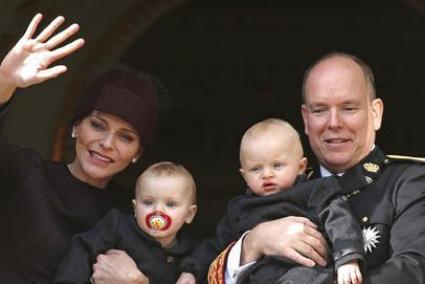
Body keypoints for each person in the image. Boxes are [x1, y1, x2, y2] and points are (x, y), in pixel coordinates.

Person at [208, 52, 425, 284]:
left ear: (376, 113)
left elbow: (413, 270)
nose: (333, 123)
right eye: (320, 110)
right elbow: (201, 271)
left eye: (348, 108)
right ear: (305, 119)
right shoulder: (280, 184)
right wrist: (254, 243)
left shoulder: (410, 183)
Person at [0, 14, 166, 283]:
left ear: (138, 152)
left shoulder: (140, 214)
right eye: (98, 125)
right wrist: (4, 83)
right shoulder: (25, 174)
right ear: (76, 126)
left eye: (126, 137)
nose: (107, 143)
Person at [179, 118, 363, 284]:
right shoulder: (239, 208)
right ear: (244, 176)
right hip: (259, 275)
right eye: (256, 169)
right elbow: (214, 246)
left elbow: (340, 221)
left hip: (305, 271)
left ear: (301, 167)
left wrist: (347, 260)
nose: (267, 174)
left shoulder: (314, 191)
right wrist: (191, 271)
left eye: (277, 165)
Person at [55, 161, 198, 284]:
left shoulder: (188, 253)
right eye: (148, 202)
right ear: (135, 208)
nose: (158, 210)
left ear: (189, 214)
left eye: (171, 204)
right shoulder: (118, 226)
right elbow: (83, 246)